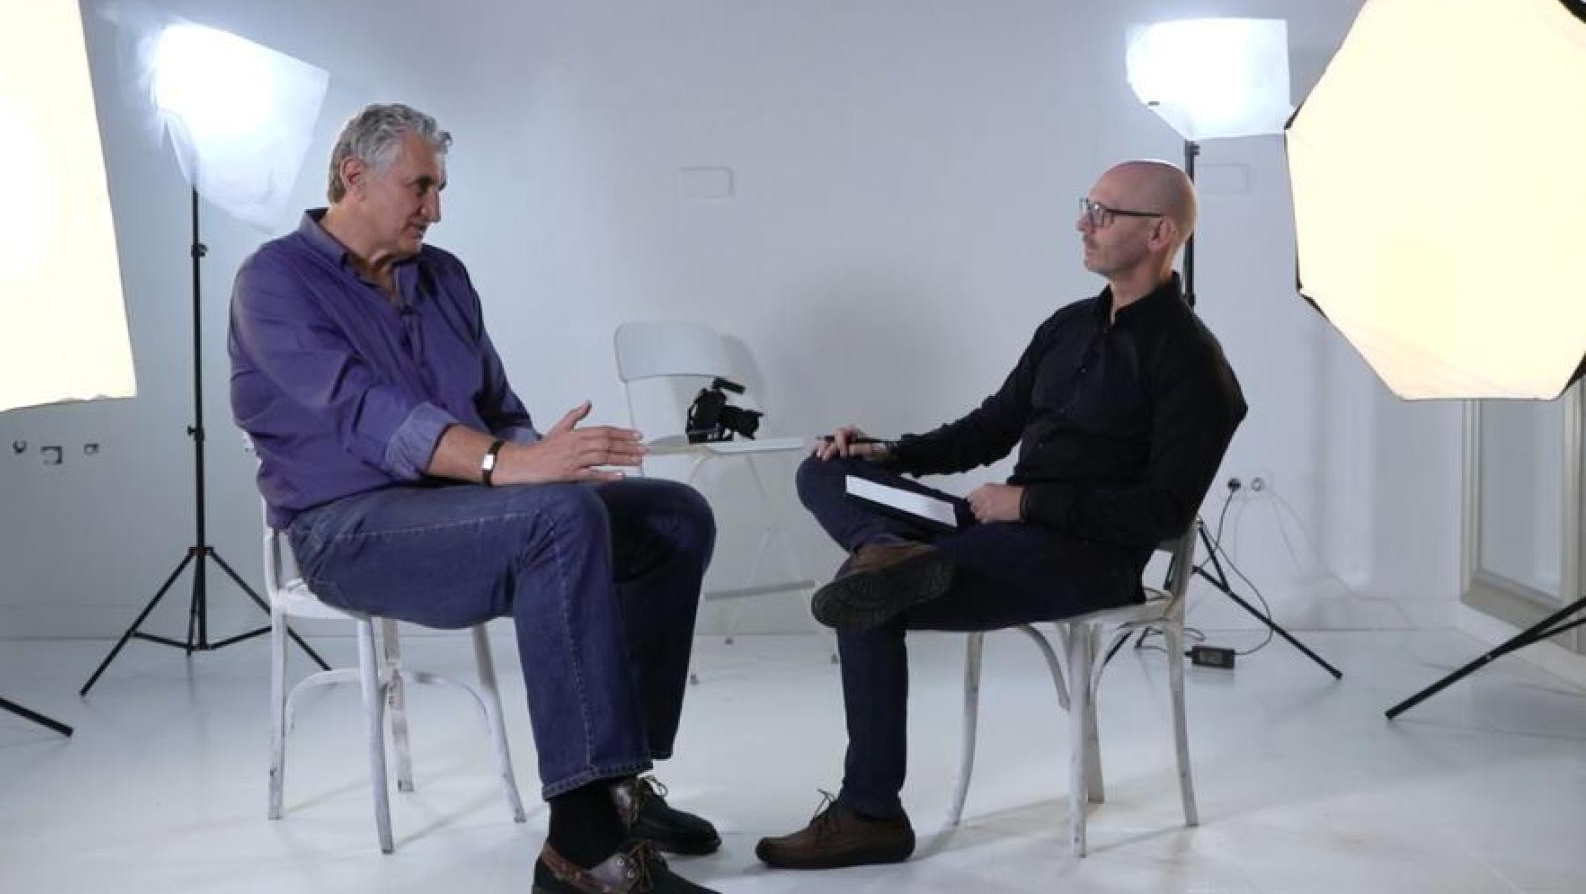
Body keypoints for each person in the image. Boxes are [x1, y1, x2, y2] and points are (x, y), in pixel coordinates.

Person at [230, 104, 722, 894]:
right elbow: (363, 411)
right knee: (557, 520)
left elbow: (497, 403)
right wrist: (509, 467)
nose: (435, 208)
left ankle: (619, 787)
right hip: (349, 531)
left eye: (439, 188)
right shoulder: (275, 281)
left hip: (466, 510)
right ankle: (583, 849)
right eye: (419, 186)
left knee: (671, 515)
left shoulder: (444, 275)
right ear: (353, 177)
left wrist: (537, 457)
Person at [756, 160, 1247, 870]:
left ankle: (871, 813)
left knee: (865, 600)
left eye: (1104, 213)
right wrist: (888, 451)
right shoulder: (1066, 327)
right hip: (994, 527)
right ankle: (886, 548)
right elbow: (989, 429)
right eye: (1087, 205)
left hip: (1084, 558)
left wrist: (1029, 502)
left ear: (1159, 233)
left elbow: (1163, 509)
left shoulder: (1195, 364)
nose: (1084, 222)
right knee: (826, 471)